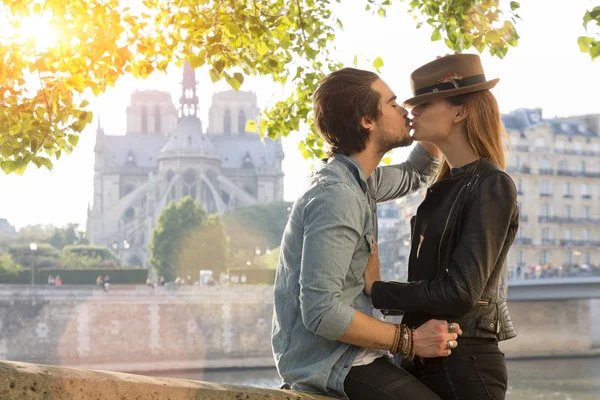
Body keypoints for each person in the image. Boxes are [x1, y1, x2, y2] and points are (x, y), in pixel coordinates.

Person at [272, 67, 464, 400]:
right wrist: (409, 340)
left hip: (351, 358)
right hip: (331, 363)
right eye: (392, 104)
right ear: (367, 121)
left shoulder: (360, 181)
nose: (405, 109)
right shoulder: (338, 194)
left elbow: (416, 173)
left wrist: (434, 102)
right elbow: (321, 311)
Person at [364, 54, 519, 400]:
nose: (412, 112)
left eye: (423, 103)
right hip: (422, 359)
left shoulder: (492, 184)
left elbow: (460, 291)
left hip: (465, 365)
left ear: (460, 112)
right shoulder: (442, 186)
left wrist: (377, 289)